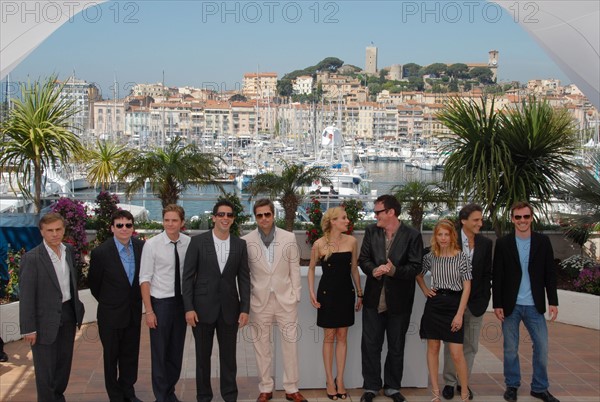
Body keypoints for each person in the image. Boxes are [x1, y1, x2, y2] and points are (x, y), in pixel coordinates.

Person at [182, 200, 251, 402]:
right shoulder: (197, 242)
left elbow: (244, 279)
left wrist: (245, 308)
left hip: (230, 310)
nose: (225, 218)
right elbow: (187, 277)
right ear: (213, 218)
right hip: (202, 310)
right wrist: (189, 308)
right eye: (221, 214)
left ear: (233, 219)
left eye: (229, 215)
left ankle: (230, 396)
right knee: (203, 359)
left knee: (229, 359)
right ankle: (204, 397)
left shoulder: (240, 244)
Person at [358, 194, 423, 402]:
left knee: (396, 346)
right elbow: (363, 259)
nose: (374, 215)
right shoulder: (371, 232)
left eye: (378, 212)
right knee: (370, 346)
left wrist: (394, 270)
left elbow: (416, 267)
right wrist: (374, 269)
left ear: (391, 212)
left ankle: (393, 387)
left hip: (400, 303)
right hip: (373, 301)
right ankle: (371, 387)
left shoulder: (412, 235)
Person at [493, 201, 560, 402]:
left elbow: (550, 273)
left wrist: (553, 301)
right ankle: (512, 385)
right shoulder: (504, 243)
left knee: (542, 347)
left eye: (526, 217)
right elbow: (498, 276)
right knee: (510, 348)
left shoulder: (543, 242)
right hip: (510, 305)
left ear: (531, 218)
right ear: (512, 219)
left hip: (535, 304)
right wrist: (497, 304)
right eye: (518, 217)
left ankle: (539, 388)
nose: (522, 221)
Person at [242, 198, 308, 402]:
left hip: (285, 300)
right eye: (259, 215)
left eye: (267, 214)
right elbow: (245, 274)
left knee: (290, 345)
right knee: (262, 347)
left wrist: (296, 295)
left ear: (273, 215)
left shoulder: (288, 238)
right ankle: (266, 388)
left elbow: (294, 268)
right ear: (255, 217)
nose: (264, 218)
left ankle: (291, 388)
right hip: (259, 301)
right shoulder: (246, 240)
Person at [19, 212, 85, 402]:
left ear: (63, 230)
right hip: (42, 322)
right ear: (42, 232)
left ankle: (58, 398)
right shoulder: (32, 259)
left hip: (67, 315)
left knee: (63, 367)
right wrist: (29, 328)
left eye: (58, 229)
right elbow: (26, 297)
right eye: (50, 231)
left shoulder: (69, 252)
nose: (55, 234)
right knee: (45, 371)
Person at [88, 210, 145, 402]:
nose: (124, 229)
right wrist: (111, 301)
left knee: (130, 356)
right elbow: (95, 285)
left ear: (133, 227)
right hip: (110, 315)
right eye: (119, 225)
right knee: (111, 358)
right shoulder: (101, 253)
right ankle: (115, 396)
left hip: (133, 313)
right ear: (112, 228)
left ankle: (128, 391)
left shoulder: (141, 247)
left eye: (128, 225)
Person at [308, 206, 363, 400]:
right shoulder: (319, 244)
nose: (347, 221)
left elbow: (354, 269)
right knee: (329, 337)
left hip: (346, 294)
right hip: (327, 294)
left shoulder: (352, 241)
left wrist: (360, 293)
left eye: (346, 218)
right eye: (343, 218)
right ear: (332, 221)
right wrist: (311, 294)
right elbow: (311, 269)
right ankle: (329, 380)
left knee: (342, 336)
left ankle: (341, 380)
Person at [416, 220, 472, 402]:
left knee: (456, 353)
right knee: (433, 349)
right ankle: (435, 392)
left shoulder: (462, 257)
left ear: (452, 235)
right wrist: (425, 289)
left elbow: (467, 286)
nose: (443, 238)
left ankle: (464, 392)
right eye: (440, 234)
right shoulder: (430, 256)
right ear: (435, 236)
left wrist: (459, 314)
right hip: (435, 305)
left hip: (454, 305)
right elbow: (418, 274)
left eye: (446, 234)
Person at [139, 204, 190, 402]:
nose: (170, 224)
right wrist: (149, 311)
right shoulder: (152, 245)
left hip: (181, 304)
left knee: (176, 352)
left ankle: (169, 392)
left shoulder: (188, 243)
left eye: (174, 220)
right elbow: (144, 279)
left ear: (182, 223)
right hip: (161, 304)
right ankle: (161, 396)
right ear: (163, 221)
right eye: (167, 220)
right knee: (159, 354)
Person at [441, 204, 492, 401]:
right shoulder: (449, 240)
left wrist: (485, 298)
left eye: (481, 219)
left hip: (476, 304)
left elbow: (487, 273)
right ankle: (448, 382)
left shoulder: (486, 244)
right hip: (453, 303)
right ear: (464, 221)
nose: (480, 223)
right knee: (451, 345)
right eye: (476, 220)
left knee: (470, 345)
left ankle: (463, 382)